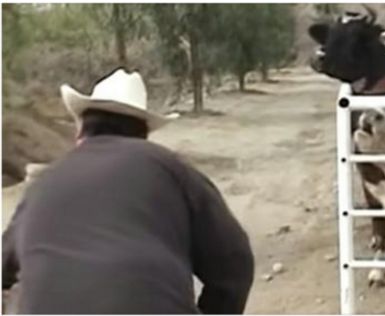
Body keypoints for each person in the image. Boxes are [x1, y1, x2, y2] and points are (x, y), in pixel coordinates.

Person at [2, 68, 254, 314]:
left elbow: (4, 267)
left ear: (80, 130)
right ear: (144, 134)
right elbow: (235, 265)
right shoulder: (171, 168)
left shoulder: (43, 182)